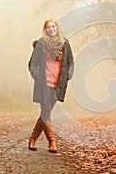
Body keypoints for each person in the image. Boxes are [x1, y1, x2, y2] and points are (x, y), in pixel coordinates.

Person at [28, 19, 74, 153]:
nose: (51, 29)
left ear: (57, 28)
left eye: (53, 27)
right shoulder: (41, 44)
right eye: (48, 27)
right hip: (44, 84)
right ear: (45, 30)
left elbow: (71, 62)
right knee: (46, 111)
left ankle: (32, 139)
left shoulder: (64, 44)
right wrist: (38, 77)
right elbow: (32, 64)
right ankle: (52, 142)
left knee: (45, 112)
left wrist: (68, 75)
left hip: (58, 84)